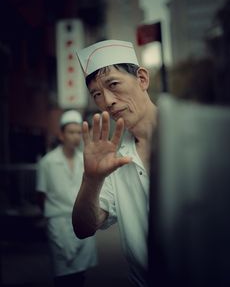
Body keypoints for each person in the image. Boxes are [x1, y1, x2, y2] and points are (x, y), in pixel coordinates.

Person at [72, 40, 157, 286]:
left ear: (142, 78)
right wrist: (92, 179)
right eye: (96, 94)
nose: (107, 101)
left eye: (114, 84)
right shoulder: (113, 159)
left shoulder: (196, 135)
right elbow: (84, 228)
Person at [36, 110, 97, 287]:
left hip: (82, 221)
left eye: (79, 132)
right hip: (58, 224)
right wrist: (51, 216)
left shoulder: (85, 160)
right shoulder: (47, 162)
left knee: (80, 275)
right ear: (61, 135)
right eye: (71, 132)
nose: (76, 137)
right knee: (63, 276)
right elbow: (41, 195)